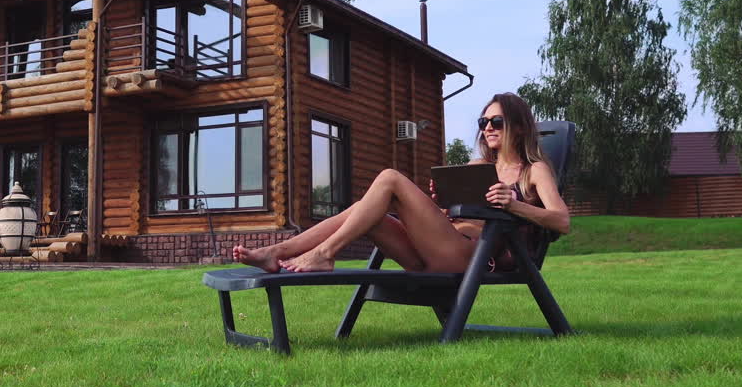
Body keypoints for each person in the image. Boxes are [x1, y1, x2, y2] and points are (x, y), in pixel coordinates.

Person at [232, 92, 571, 273]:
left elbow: (562, 220)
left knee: (390, 178)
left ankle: (324, 253)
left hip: (472, 256)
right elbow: (458, 214)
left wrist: (515, 205)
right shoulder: (478, 166)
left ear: (521, 127)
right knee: (366, 210)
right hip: (435, 250)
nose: (488, 127)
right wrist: (442, 203)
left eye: (497, 120)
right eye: (484, 121)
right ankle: (274, 253)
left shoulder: (533, 170)